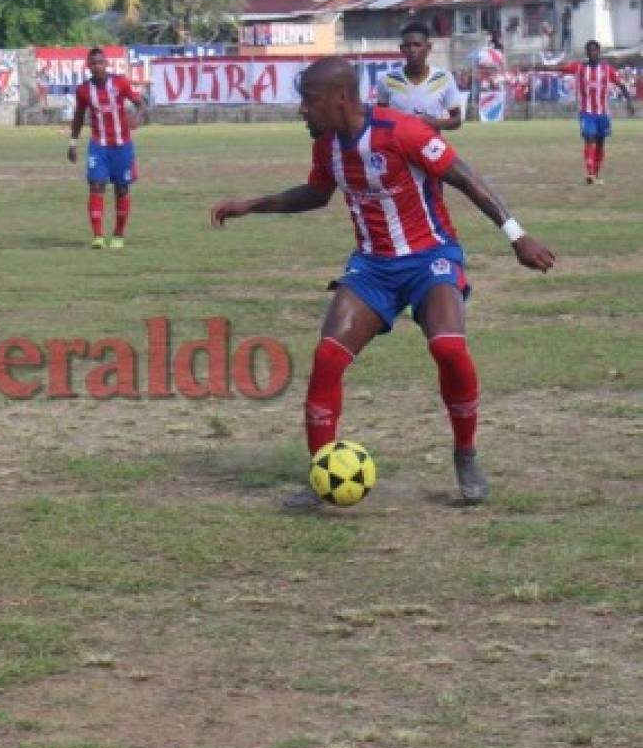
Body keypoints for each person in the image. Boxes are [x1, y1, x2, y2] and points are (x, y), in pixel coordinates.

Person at [209, 57, 556, 508]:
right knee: (328, 357)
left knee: (449, 348)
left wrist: (518, 236)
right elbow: (316, 194)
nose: (302, 111)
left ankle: (466, 453)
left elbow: (466, 179)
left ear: (340, 98)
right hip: (372, 268)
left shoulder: (402, 132)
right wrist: (250, 205)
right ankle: (322, 475)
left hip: (430, 259)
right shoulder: (327, 146)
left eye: (309, 101)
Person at [67, 47, 145, 250]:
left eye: (100, 62)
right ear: (88, 66)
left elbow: (140, 103)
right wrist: (73, 143)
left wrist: (136, 118)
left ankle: (118, 234)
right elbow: (77, 118)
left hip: (122, 146)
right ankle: (98, 236)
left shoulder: (120, 82)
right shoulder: (84, 90)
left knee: (121, 190)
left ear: (106, 63)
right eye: (93, 63)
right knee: (96, 185)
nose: (97, 66)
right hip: (99, 146)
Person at [549, 40, 634, 184]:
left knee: (600, 143)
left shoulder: (607, 70)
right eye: (589, 50)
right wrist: (536, 67)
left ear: (598, 52)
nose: (592, 53)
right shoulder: (579, 67)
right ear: (586, 53)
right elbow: (560, 68)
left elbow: (621, 85)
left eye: (594, 50)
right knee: (589, 138)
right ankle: (589, 174)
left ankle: (595, 173)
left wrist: (629, 102)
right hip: (586, 112)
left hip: (602, 113)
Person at [375, 21, 464, 132]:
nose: (412, 50)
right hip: (398, 147)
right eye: (407, 46)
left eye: (417, 45)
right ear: (401, 49)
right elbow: (379, 118)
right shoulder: (387, 79)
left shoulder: (444, 78)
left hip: (429, 146)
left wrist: (432, 122)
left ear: (428, 47)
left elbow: (457, 120)